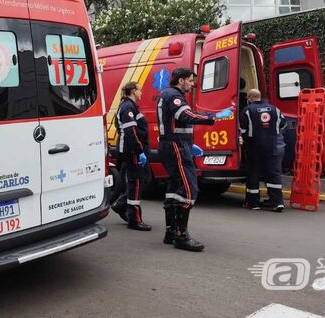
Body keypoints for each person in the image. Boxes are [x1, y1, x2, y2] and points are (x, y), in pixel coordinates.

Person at [158, 68, 232, 251]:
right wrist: (214, 116)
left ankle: (171, 232)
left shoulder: (170, 95)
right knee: (189, 189)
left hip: (176, 145)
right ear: (181, 80)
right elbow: (185, 116)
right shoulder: (173, 95)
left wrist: (189, 144)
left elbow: (181, 121)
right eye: (190, 80)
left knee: (175, 188)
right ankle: (181, 237)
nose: (192, 84)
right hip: (176, 146)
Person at [111, 82, 152, 231]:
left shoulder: (130, 106)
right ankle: (134, 219)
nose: (141, 93)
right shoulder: (128, 107)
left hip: (134, 150)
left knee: (143, 180)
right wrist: (139, 151)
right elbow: (131, 133)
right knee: (136, 184)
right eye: (140, 90)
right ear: (134, 91)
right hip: (132, 151)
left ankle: (120, 204)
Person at [239, 89, 287, 212]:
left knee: (253, 174)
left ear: (249, 98)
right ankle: (277, 202)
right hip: (272, 147)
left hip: (254, 148)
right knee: (273, 174)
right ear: (260, 97)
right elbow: (283, 124)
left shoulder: (247, 111)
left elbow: (243, 131)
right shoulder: (274, 109)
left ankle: (253, 203)